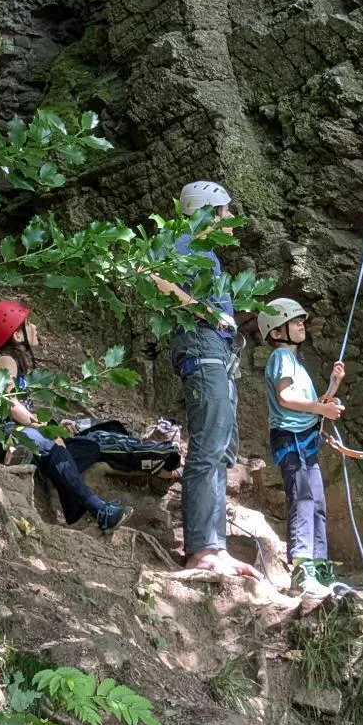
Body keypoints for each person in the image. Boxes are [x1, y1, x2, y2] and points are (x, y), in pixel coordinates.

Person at [149, 180, 255, 580]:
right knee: (208, 449)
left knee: (220, 451)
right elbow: (149, 274)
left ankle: (215, 547)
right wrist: (206, 312)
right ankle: (202, 551)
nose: (231, 218)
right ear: (208, 212)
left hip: (218, 355)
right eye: (226, 210)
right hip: (204, 350)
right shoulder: (185, 243)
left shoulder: (205, 253)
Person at [0, 301, 130, 534]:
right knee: (53, 444)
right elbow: (10, 405)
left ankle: (46, 471)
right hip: (4, 433)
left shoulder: (9, 359)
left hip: (19, 432)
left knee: (88, 449)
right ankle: (99, 510)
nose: (34, 327)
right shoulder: (6, 360)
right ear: (17, 336)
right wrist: (46, 429)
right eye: (28, 324)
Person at [258, 297, 345, 592]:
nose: (301, 325)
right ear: (276, 332)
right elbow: (285, 399)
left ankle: (319, 569)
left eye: (301, 320)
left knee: (317, 502)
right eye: (294, 321)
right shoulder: (281, 357)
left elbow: (308, 405)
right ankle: (302, 569)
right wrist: (322, 409)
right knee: (303, 498)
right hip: (290, 439)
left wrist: (332, 387)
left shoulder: (295, 363)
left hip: (304, 439)